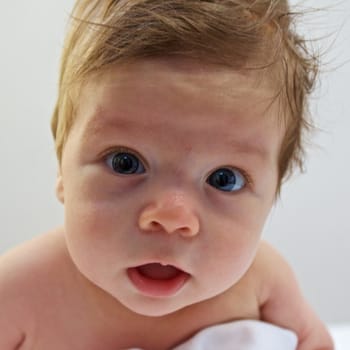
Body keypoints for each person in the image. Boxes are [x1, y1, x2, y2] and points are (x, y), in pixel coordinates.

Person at [0, 0, 334, 349]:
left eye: (224, 179)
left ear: (272, 194)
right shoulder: (20, 292)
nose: (172, 218)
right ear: (62, 167)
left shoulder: (263, 282)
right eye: (124, 162)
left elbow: (316, 342)